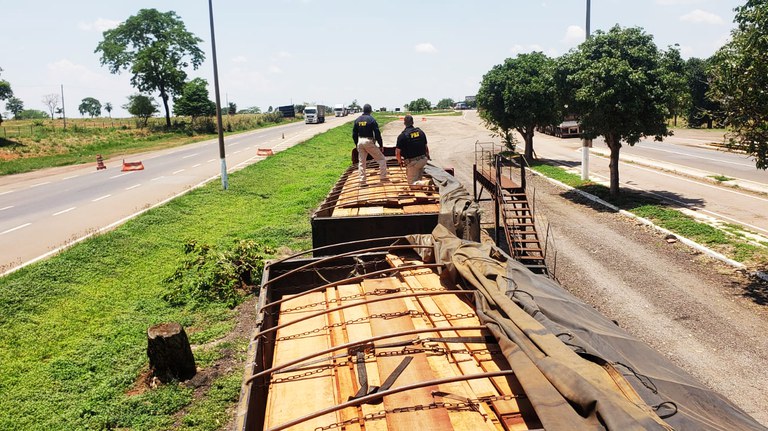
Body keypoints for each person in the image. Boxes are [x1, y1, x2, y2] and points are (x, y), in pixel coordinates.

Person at [352, 104, 387, 185]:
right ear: (370, 111)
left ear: (363, 110)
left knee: (362, 162)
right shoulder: (371, 119)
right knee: (382, 159)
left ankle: (362, 181)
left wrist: (356, 144)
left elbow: (354, 134)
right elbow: (377, 133)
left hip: (360, 141)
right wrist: (381, 145)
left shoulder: (357, 120)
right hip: (368, 141)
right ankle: (383, 178)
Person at [396, 115, 430, 185]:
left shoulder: (402, 136)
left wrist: (400, 162)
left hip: (413, 163)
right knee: (418, 178)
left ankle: (424, 183)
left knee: (412, 184)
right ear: (413, 122)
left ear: (404, 123)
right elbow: (426, 147)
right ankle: (421, 183)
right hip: (423, 160)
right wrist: (427, 157)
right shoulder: (421, 132)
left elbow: (397, 153)